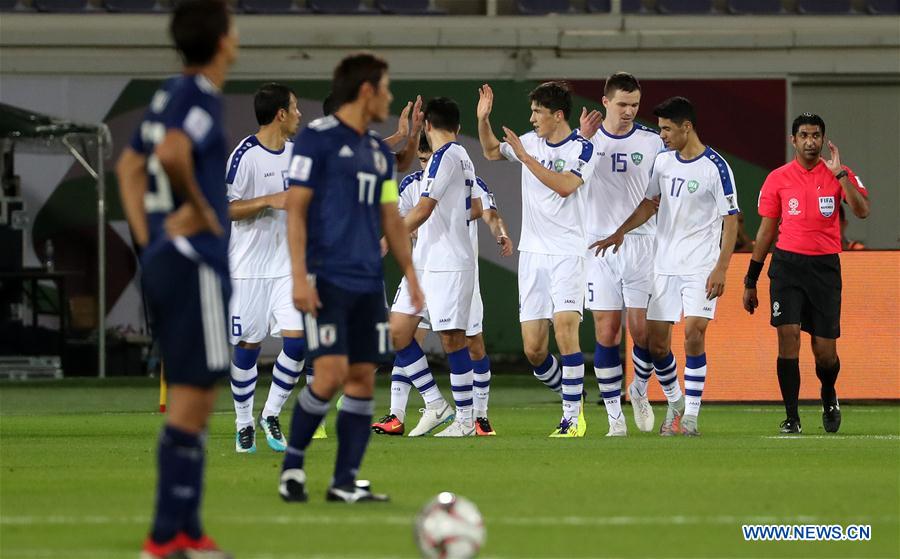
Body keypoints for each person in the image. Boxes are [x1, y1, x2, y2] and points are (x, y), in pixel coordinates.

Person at [115, 1, 237, 557]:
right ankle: (166, 535)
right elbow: (171, 152)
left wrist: (150, 241)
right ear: (221, 42)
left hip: (169, 256)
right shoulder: (201, 98)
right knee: (193, 398)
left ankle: (185, 531)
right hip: (196, 263)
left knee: (192, 396)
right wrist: (201, 214)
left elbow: (129, 166)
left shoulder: (167, 92)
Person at [279, 52, 423, 503]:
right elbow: (296, 209)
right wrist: (300, 277)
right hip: (327, 278)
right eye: (385, 87)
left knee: (362, 378)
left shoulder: (377, 152)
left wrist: (412, 275)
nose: (389, 96)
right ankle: (293, 467)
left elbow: (390, 217)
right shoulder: (316, 140)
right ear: (366, 91)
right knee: (329, 376)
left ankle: (344, 481)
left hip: (366, 282)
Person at [592, 96, 740, 437]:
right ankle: (673, 401)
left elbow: (731, 220)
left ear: (686, 127)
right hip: (664, 265)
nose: (662, 136)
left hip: (700, 267)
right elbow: (649, 204)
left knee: (693, 334)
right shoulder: (663, 162)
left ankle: (690, 416)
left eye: (667, 129)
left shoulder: (716, 167)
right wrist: (620, 232)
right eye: (660, 130)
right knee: (656, 345)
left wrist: (721, 268)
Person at [372, 135, 513, 437]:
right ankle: (400, 413)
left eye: (429, 158)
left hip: (457, 274)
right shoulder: (411, 185)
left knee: (472, 345)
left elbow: (489, 213)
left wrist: (498, 231)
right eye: (421, 160)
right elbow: (402, 221)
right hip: (423, 271)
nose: (426, 165)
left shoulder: (466, 180)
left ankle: (478, 416)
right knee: (403, 334)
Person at [477, 81, 596, 437]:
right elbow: (489, 152)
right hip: (532, 255)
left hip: (568, 253)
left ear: (557, 115)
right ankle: (571, 394)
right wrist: (483, 119)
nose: (531, 119)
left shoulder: (582, 148)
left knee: (565, 329)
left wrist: (526, 158)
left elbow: (564, 186)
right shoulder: (528, 142)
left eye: (537, 113)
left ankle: (572, 418)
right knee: (533, 350)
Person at [742, 113, 869, 434]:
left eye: (815, 136)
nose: (810, 142)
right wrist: (750, 279)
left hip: (825, 268)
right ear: (793, 140)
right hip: (787, 267)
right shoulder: (778, 178)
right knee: (788, 337)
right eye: (804, 136)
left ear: (823, 140)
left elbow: (862, 211)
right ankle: (792, 417)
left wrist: (840, 174)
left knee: (825, 353)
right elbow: (766, 232)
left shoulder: (839, 174)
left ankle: (828, 393)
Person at [226, 82, 325, 454]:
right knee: (248, 346)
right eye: (296, 108)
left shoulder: (299, 155)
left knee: (298, 343)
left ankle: (270, 413)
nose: (300, 115)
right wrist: (269, 200)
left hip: (288, 266)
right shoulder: (245, 155)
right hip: (249, 268)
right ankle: (242, 423)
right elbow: (228, 208)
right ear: (280, 114)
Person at [577, 72, 666, 436]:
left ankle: (640, 389)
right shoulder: (586, 140)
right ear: (605, 102)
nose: (629, 111)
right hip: (598, 246)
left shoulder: (652, 142)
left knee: (641, 330)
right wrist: (581, 142)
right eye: (622, 104)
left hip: (641, 242)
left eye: (634, 105)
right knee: (607, 331)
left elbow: (661, 195)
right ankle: (614, 416)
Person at [401, 97, 482, 437]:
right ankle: (436, 403)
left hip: (447, 264)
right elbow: (475, 204)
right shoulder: (461, 155)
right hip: (427, 262)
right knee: (397, 332)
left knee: (452, 341)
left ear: (427, 126)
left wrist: (388, 236)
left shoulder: (443, 157)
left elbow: (423, 209)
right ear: (458, 126)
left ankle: (464, 420)